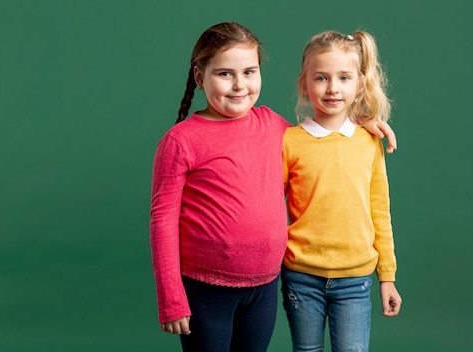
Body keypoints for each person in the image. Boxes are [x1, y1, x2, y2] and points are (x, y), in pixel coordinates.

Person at [149, 22, 396, 352]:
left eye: (250, 71)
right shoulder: (181, 141)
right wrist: (171, 298)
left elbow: (323, 137)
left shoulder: (274, 127)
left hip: (264, 286)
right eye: (225, 74)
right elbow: (162, 223)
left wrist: (364, 122)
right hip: (207, 289)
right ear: (199, 78)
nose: (240, 85)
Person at [281, 30, 403, 352]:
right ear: (305, 85)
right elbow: (267, 204)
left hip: (356, 279)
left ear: (358, 84)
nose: (333, 88)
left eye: (344, 77)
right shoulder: (288, 141)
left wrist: (387, 276)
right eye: (321, 78)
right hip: (300, 277)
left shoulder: (368, 141)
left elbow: (380, 210)